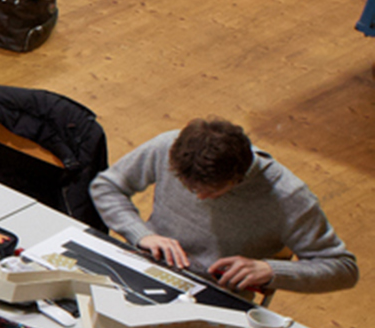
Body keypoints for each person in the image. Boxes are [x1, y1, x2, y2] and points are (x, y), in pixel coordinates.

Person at [89, 118, 357, 294]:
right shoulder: (167, 147)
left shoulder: (287, 196)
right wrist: (141, 234)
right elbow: (107, 187)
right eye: (189, 188)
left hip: (213, 294)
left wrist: (271, 270)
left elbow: (343, 269)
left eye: (213, 191)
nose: (199, 198)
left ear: (239, 177)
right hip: (144, 267)